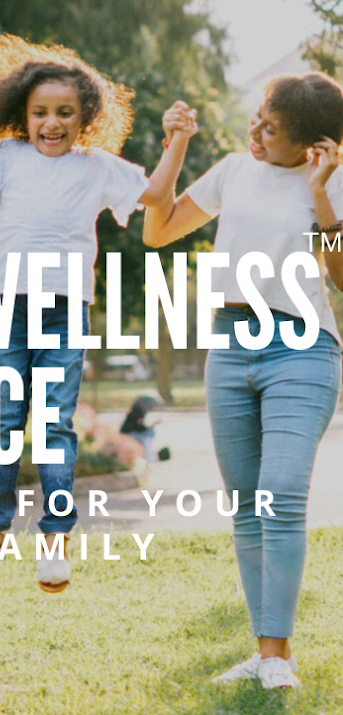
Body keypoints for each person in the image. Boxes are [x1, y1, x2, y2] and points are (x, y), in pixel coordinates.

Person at [0, 34, 191, 592]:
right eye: (40, 113)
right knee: (4, 422)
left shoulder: (97, 166)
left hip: (64, 311)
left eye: (64, 113)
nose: (51, 124)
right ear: (22, 115)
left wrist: (176, 141)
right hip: (5, 307)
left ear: (86, 117)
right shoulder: (8, 156)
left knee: (54, 424)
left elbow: (153, 193)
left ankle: (55, 539)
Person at [143, 73, 343, 689]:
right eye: (258, 116)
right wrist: (175, 145)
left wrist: (320, 194)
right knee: (247, 508)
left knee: (280, 492)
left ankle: (277, 656)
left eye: (271, 128)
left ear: (313, 145)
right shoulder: (232, 169)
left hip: (302, 346)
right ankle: (264, 652)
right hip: (229, 347)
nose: (255, 131)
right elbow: (158, 230)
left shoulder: (332, 184)